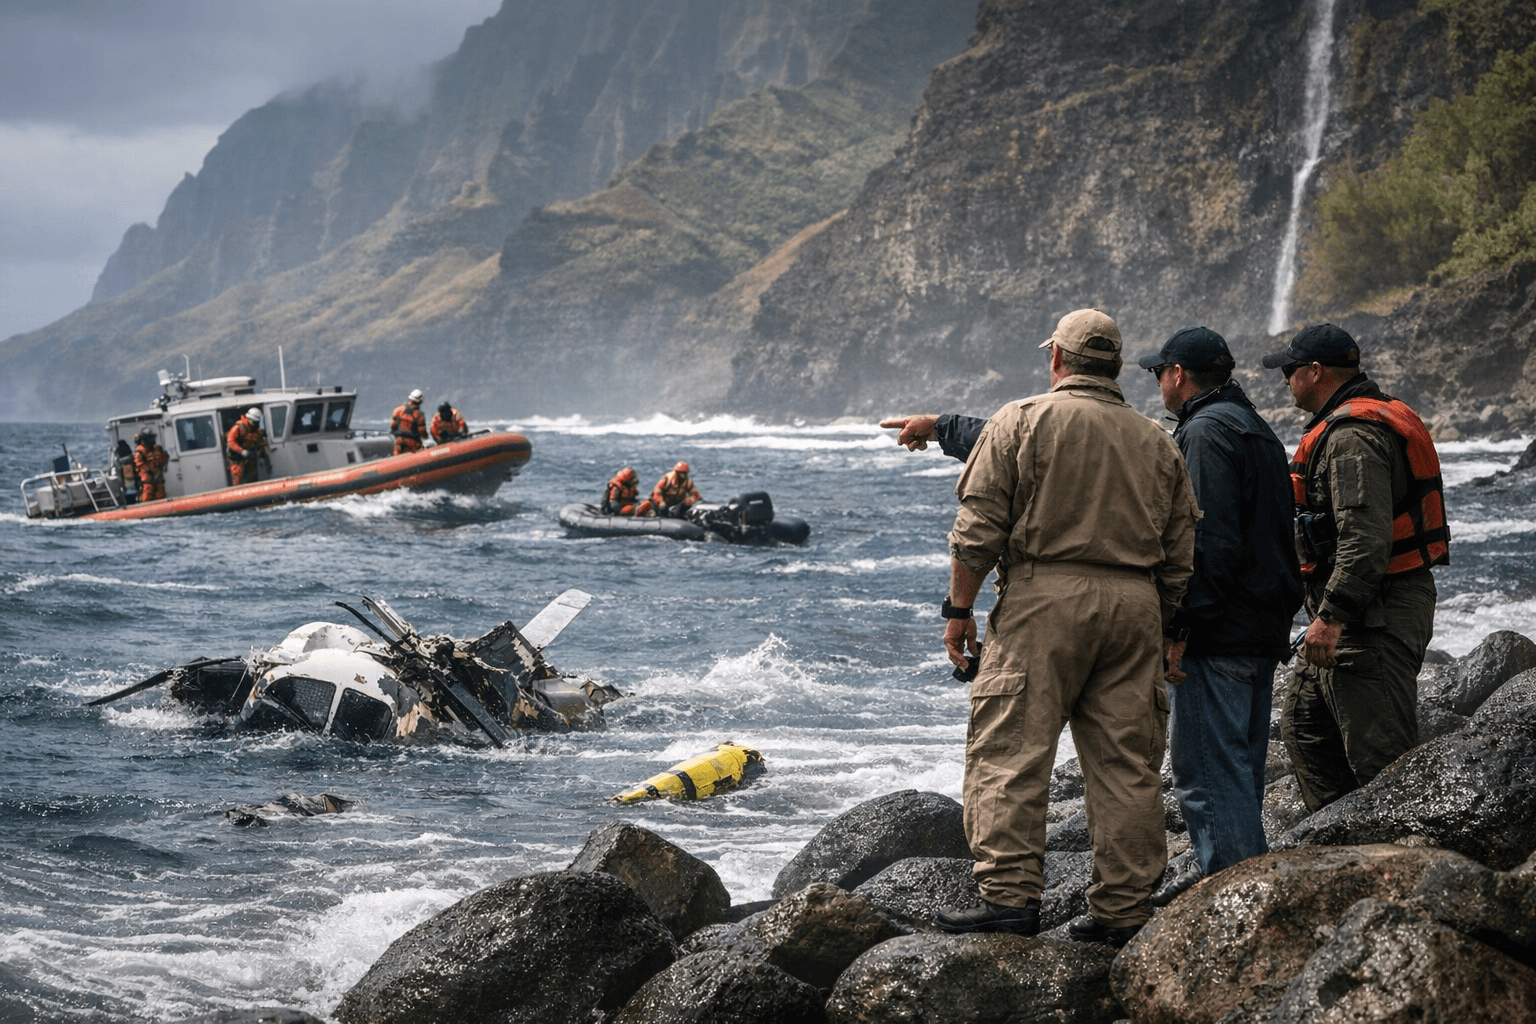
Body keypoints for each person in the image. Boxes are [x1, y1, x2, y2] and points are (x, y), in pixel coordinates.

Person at [932, 308, 1198, 949]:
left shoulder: (1020, 420)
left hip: (1043, 601)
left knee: (1011, 752)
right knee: (1127, 765)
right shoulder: (1157, 440)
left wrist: (959, 611)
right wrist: (1165, 622)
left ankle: (1009, 898)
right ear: (1113, 366)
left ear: (1057, 360)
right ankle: (1123, 909)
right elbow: (1182, 546)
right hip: (1136, 604)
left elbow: (979, 531)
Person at [1134, 326, 1303, 906]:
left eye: (1158, 372)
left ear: (1178, 374)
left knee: (1207, 777)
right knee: (1241, 772)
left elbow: (1210, 544)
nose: (1157, 382)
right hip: (1260, 630)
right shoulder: (1256, 428)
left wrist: (1181, 628)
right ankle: (1249, 887)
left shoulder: (1204, 433)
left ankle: (1237, 908)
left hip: (1219, 634)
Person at [1261, 323, 1449, 812]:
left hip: (1371, 616)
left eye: (1290, 370)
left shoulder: (1352, 438)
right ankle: (1343, 846)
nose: (1285, 381)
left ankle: (1408, 861)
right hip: (1358, 610)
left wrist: (1331, 617)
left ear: (1316, 371)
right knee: (1305, 731)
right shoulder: (1361, 420)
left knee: (1384, 760)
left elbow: (1364, 542)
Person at [225, 409, 267, 486]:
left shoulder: (255, 430)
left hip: (250, 459)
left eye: (257, 422)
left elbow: (260, 441)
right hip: (237, 459)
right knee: (237, 476)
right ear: (249, 419)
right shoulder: (238, 428)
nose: (256, 424)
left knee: (252, 477)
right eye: (255, 422)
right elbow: (230, 441)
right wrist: (241, 451)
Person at [132, 429, 168, 501]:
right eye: (150, 438)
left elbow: (163, 458)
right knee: (148, 493)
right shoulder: (140, 451)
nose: (153, 440)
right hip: (148, 477)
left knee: (160, 493)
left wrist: (163, 464)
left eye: (153, 438)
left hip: (158, 475)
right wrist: (149, 472)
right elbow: (139, 464)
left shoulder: (157, 448)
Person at [391, 389, 427, 455]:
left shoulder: (398, 410)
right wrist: (426, 437)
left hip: (399, 440)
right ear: (420, 401)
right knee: (415, 457)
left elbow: (393, 425)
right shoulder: (419, 415)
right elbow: (422, 431)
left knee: (396, 457)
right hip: (412, 442)